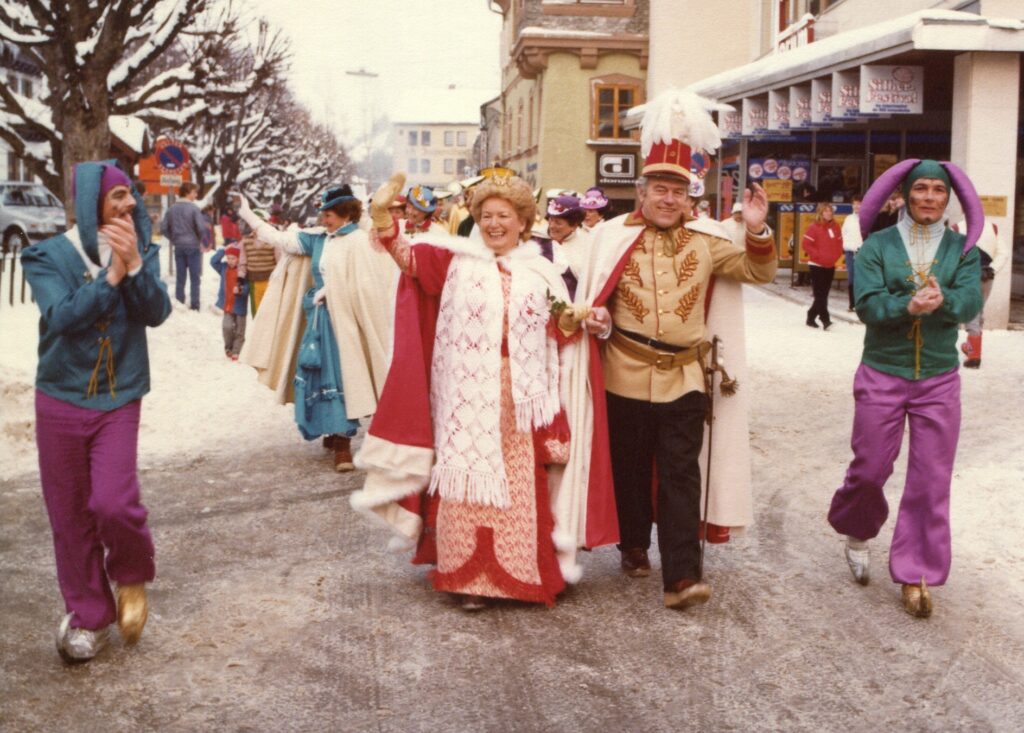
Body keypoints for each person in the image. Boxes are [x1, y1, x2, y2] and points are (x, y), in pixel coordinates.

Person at [351, 172, 615, 611]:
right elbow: (407, 259)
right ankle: (469, 579)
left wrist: (579, 321)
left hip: (520, 396)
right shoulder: (455, 262)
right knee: (466, 486)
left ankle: (518, 575)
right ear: (475, 220)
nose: (494, 224)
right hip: (465, 394)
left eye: (504, 216)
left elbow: (559, 328)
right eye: (487, 216)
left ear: (522, 221)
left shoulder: (540, 270)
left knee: (518, 487)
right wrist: (382, 218)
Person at [569, 89, 777, 610]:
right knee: (632, 468)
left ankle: (682, 576)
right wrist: (591, 318)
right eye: (659, 188)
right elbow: (589, 295)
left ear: (690, 197)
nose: (667, 198)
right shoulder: (610, 237)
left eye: (677, 191)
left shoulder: (707, 241)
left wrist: (756, 230)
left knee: (683, 472)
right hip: (623, 372)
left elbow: (756, 271)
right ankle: (634, 543)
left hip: (685, 378)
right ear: (641, 193)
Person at [21, 160, 172, 663]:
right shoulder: (45, 256)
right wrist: (110, 276)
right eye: (117, 197)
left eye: (130, 195)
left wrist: (132, 270)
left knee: (113, 502)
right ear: (91, 206)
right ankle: (89, 616)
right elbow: (61, 317)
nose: (130, 204)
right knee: (70, 516)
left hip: (119, 396)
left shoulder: (138, 249)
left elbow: (157, 312)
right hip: (60, 398)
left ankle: (130, 577)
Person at [828, 159, 983, 618]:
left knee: (931, 479)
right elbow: (867, 304)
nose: (930, 197)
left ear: (948, 197)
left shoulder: (964, 247)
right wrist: (908, 305)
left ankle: (917, 573)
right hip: (883, 370)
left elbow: (972, 301)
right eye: (921, 189)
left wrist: (947, 301)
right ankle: (857, 532)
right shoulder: (878, 244)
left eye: (939, 189)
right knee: (871, 467)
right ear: (906, 194)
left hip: (938, 376)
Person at [233, 185, 394, 471]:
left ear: (346, 213)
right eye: (323, 213)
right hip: (319, 321)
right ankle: (330, 428)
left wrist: (334, 291)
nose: (324, 219)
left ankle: (343, 442)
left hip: (348, 325)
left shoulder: (358, 241)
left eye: (329, 214)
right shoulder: (318, 239)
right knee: (319, 375)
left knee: (344, 378)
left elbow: (369, 285)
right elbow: (281, 239)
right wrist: (249, 215)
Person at [953, 216, 1008, 368]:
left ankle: (973, 354)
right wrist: (992, 269)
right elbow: (1003, 252)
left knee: (971, 313)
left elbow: (952, 255)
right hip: (987, 275)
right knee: (978, 311)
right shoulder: (993, 228)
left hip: (966, 275)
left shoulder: (957, 228)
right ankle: (971, 348)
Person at [160, 182, 207, 310]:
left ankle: (179, 301)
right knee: (194, 277)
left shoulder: (171, 208)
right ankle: (195, 304)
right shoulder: (194, 209)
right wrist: (198, 239)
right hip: (193, 246)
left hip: (179, 246)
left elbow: (163, 228)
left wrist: (174, 238)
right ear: (187, 192)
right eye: (194, 192)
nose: (196, 194)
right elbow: (202, 228)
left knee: (180, 276)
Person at [802, 202, 844, 330]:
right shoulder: (814, 227)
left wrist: (835, 256)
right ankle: (825, 320)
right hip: (817, 265)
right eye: (826, 211)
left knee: (823, 294)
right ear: (820, 213)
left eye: (830, 211)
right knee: (820, 294)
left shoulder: (836, 226)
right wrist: (818, 255)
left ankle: (810, 316)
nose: (829, 213)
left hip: (830, 265)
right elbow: (806, 245)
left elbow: (839, 243)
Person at [544, 193, 588, 293]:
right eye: (551, 220)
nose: (551, 226)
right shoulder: (540, 241)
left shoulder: (584, 246)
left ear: (574, 226)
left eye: (558, 223)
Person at [211, 244, 249, 360]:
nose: (230, 261)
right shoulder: (223, 268)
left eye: (233, 258)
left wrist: (241, 290)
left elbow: (248, 287)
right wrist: (223, 250)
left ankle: (236, 351)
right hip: (227, 304)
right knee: (226, 327)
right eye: (228, 258)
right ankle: (228, 348)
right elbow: (213, 261)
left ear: (239, 258)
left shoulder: (243, 271)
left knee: (239, 330)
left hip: (239, 305)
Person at [841, 194, 864, 311]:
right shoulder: (848, 218)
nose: (857, 206)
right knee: (851, 277)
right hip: (850, 252)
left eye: (859, 203)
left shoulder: (866, 218)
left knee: (861, 277)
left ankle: (860, 303)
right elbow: (843, 233)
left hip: (862, 252)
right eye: (855, 203)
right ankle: (852, 303)